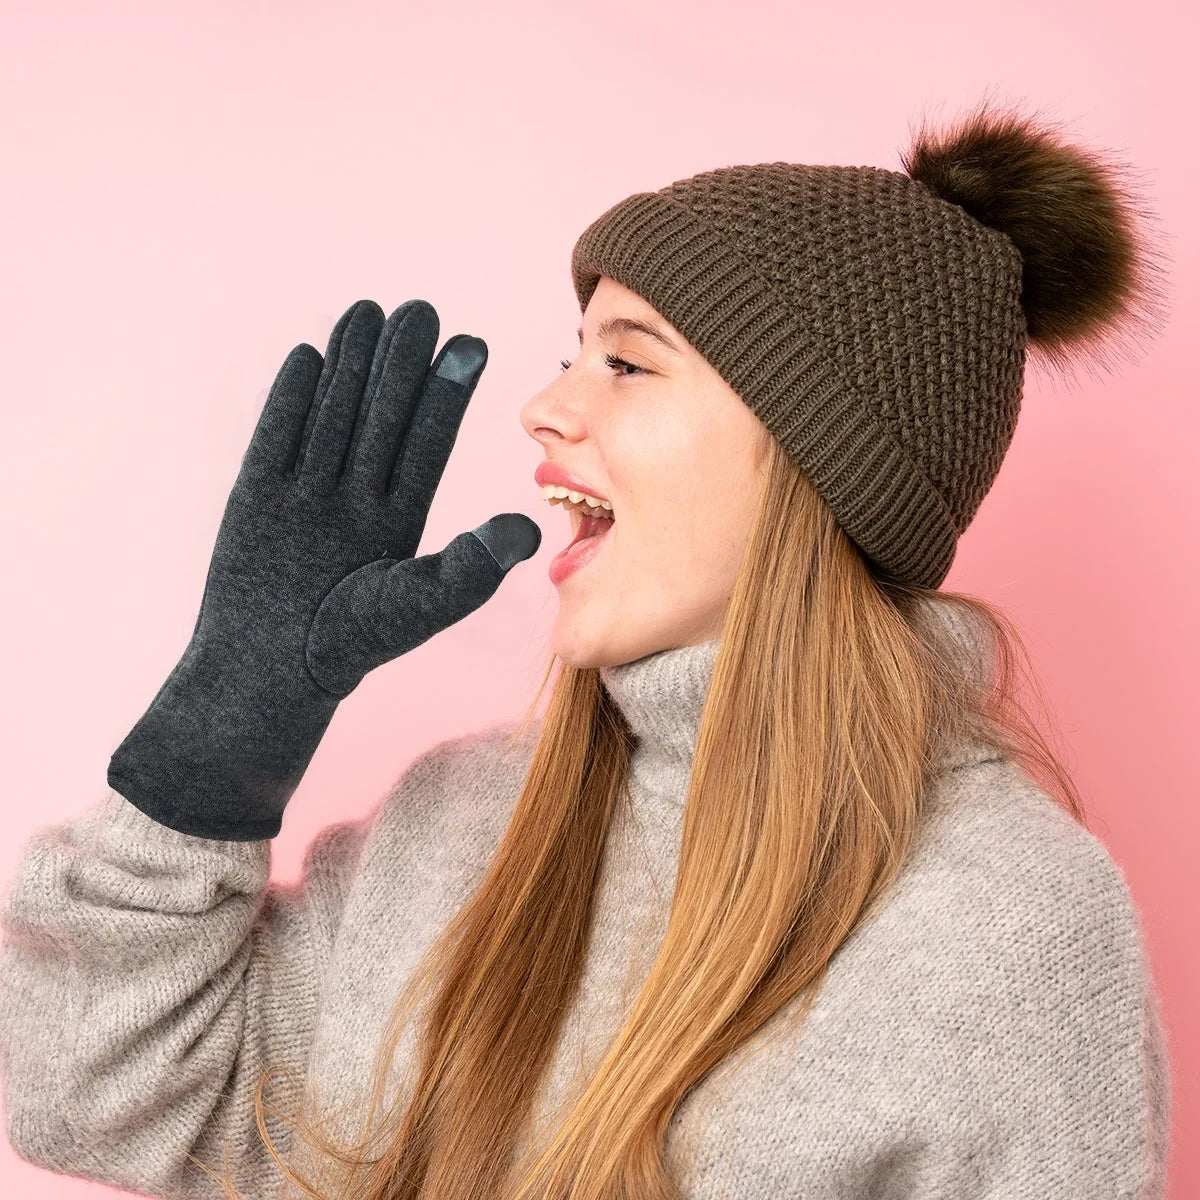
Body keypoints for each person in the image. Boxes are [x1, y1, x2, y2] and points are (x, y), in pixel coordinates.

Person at [0, 97, 1172, 1200]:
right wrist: (219, 734)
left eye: (628, 359)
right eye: (576, 350)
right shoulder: (460, 825)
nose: (546, 406)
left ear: (819, 458)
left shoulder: (1009, 930)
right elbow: (85, 1094)